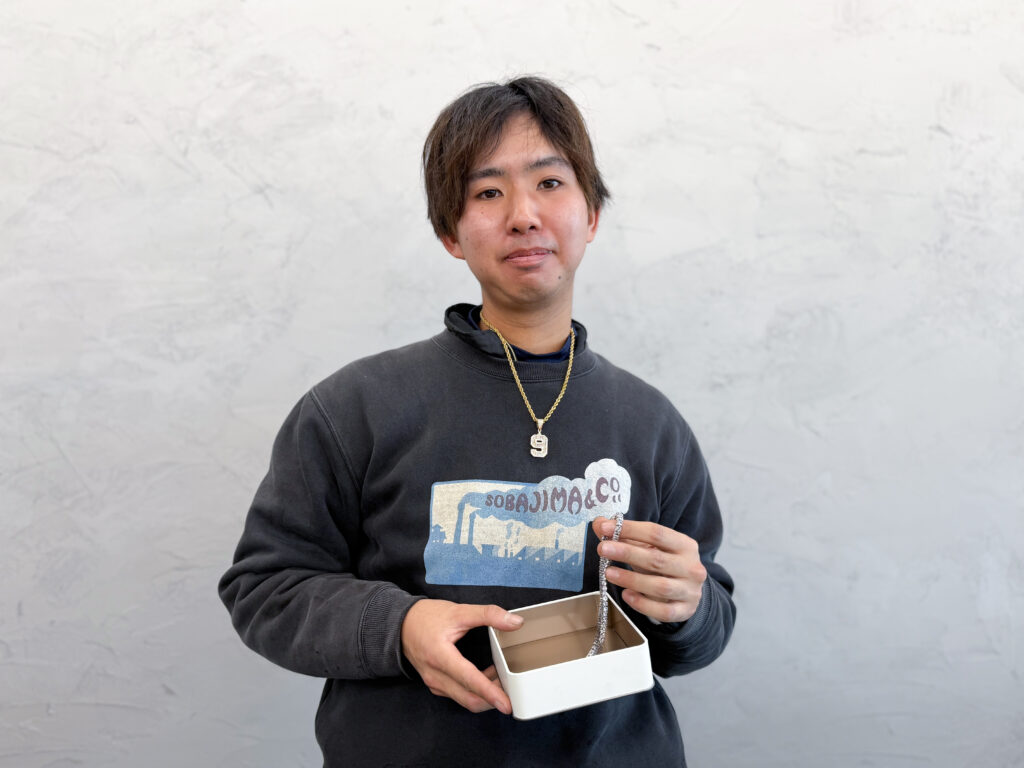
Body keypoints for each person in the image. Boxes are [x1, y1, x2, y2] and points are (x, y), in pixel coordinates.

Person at [219, 75, 735, 767]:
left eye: (549, 183)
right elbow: (264, 589)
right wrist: (401, 626)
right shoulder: (354, 408)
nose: (523, 214)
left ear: (591, 214)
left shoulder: (651, 424)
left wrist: (688, 605)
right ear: (449, 233)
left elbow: (703, 629)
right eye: (488, 192)